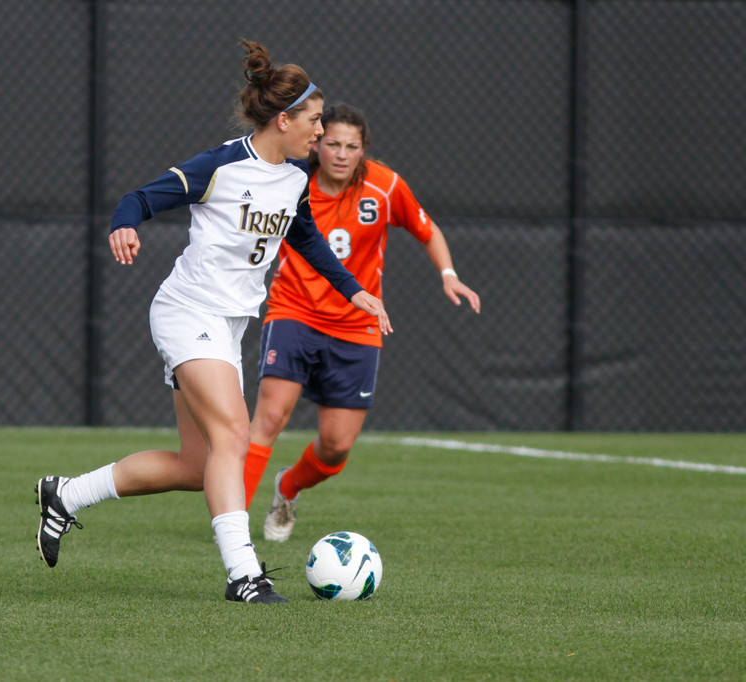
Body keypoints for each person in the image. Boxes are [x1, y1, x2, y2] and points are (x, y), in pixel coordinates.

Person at [35, 43, 392, 603]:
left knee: (195, 465)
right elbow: (140, 198)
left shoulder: (295, 179)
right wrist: (124, 225)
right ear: (284, 120)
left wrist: (354, 292)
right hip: (186, 311)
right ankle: (243, 575)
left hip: (227, 325)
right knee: (235, 434)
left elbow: (305, 240)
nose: (320, 133)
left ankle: (66, 495)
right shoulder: (223, 165)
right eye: (315, 121)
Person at [243, 103, 480, 542]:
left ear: (363, 149)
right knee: (270, 418)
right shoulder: (291, 181)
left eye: (351, 146)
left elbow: (427, 230)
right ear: (316, 143)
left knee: (336, 448)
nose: (340, 153)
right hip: (293, 309)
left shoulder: (385, 186)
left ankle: (288, 487)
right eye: (332, 143)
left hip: (357, 325)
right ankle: (232, 525)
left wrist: (449, 275)